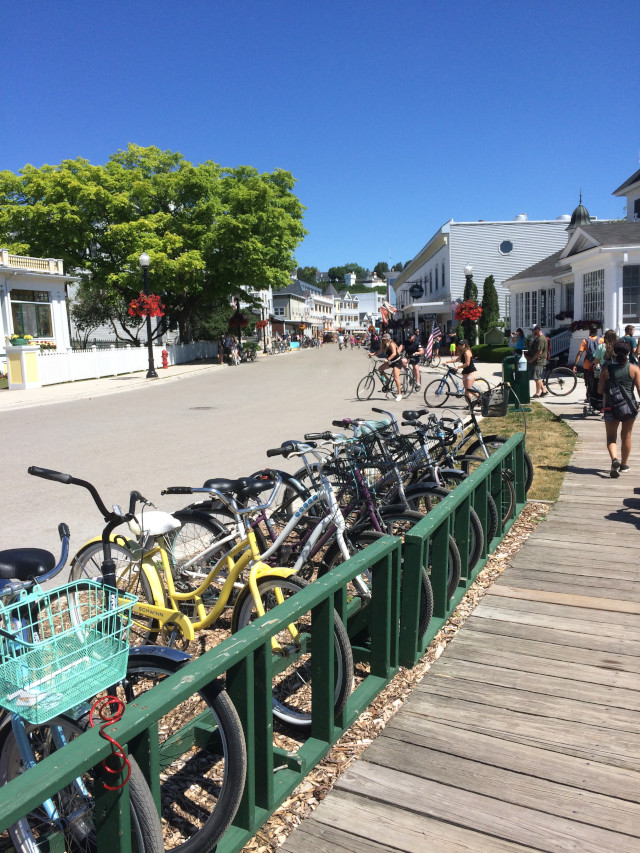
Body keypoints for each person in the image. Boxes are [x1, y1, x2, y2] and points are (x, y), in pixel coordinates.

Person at [597, 340, 640, 477]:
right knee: (626, 436)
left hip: (610, 406)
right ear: (628, 353)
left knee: (611, 438)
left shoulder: (606, 369)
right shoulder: (634, 369)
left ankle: (614, 459)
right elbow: (639, 389)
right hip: (629, 407)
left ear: (614, 352)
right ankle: (624, 465)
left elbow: (600, 390)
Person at [573, 324, 603, 399]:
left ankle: (588, 396)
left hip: (587, 365)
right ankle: (597, 396)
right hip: (598, 365)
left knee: (588, 382)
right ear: (596, 331)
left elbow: (580, 353)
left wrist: (575, 365)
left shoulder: (585, 341)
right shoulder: (601, 340)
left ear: (590, 331)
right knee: (597, 381)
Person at [371, 333, 403, 401]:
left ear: (388, 339)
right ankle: (387, 379)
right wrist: (372, 354)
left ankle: (399, 394)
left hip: (397, 361)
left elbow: (394, 353)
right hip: (391, 361)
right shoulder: (384, 345)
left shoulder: (391, 344)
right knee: (380, 369)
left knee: (396, 377)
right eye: (383, 340)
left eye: (385, 340)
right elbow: (379, 352)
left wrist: (387, 359)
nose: (384, 341)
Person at [447, 338, 479, 403]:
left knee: (468, 389)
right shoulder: (462, 352)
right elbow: (456, 360)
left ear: (465, 345)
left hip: (471, 372)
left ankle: (480, 397)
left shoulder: (467, 352)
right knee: (466, 390)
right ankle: (469, 405)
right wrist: (447, 361)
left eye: (462, 344)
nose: (460, 345)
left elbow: (467, 363)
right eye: (459, 344)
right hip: (465, 372)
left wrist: (458, 367)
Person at [527, 325, 549, 398]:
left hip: (539, 361)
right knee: (536, 377)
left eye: (533, 330)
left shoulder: (541, 339)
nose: (532, 332)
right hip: (537, 361)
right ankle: (544, 391)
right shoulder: (538, 338)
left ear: (537, 330)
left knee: (537, 377)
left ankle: (537, 393)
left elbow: (539, 352)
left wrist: (532, 360)